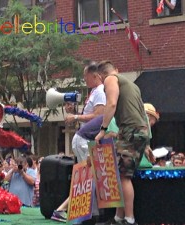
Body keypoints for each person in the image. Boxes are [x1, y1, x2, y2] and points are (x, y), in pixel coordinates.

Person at [95, 60, 151, 225]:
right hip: (140, 132)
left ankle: (129, 219)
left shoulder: (110, 79)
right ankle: (118, 218)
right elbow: (142, 113)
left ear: (100, 76)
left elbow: (111, 103)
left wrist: (103, 129)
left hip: (130, 131)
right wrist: (146, 144)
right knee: (122, 174)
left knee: (123, 176)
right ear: (117, 69)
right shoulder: (133, 85)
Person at [51, 62, 106, 222]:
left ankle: (82, 212)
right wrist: (76, 114)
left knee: (88, 178)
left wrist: (76, 116)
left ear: (95, 75)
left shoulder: (100, 92)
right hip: (85, 139)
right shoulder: (96, 92)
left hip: (85, 139)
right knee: (89, 177)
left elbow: (99, 115)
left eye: (85, 76)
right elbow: (94, 118)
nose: (84, 80)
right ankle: (86, 213)